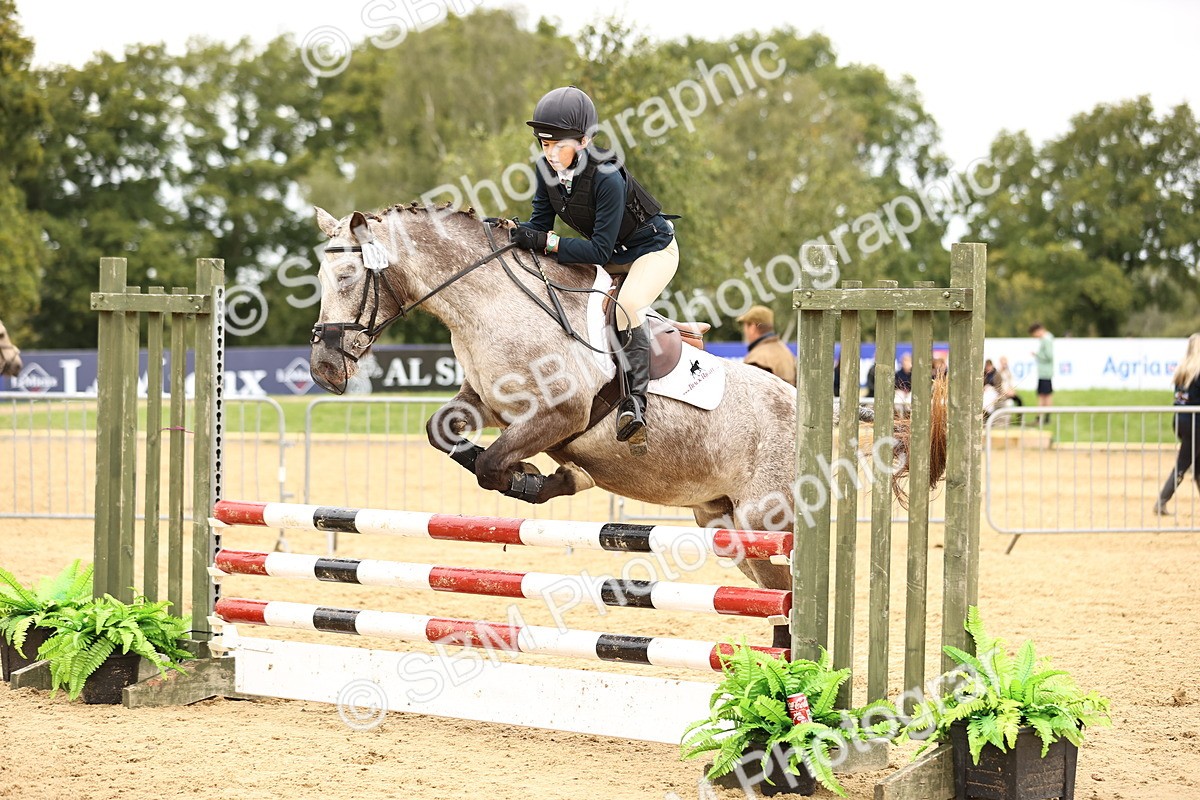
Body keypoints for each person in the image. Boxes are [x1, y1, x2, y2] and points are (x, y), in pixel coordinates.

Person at [511, 86, 679, 453]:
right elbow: (541, 225)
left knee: (628, 305)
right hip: (610, 253)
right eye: (544, 144)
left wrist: (547, 243)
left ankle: (635, 405)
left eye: (559, 144)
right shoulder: (545, 170)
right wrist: (512, 233)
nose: (550, 153)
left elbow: (597, 249)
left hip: (651, 250)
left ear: (584, 140)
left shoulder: (606, 176)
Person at [1154, 333, 1200, 515]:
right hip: (1196, 424)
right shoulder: (1198, 372)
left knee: (1197, 464)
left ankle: (1162, 501)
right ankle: (1161, 501)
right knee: (1184, 463)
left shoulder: (1182, 371)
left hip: (1180, 420)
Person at [737, 305, 796, 385]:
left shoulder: (756, 359)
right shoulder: (787, 352)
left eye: (745, 326)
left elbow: (751, 394)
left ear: (752, 327)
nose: (744, 331)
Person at [1030, 322, 1054, 423]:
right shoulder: (1048, 338)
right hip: (1045, 372)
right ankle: (1044, 417)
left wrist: (1037, 355)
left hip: (1045, 372)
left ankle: (1042, 417)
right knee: (1045, 395)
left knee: (1044, 396)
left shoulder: (1046, 340)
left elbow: (1049, 356)